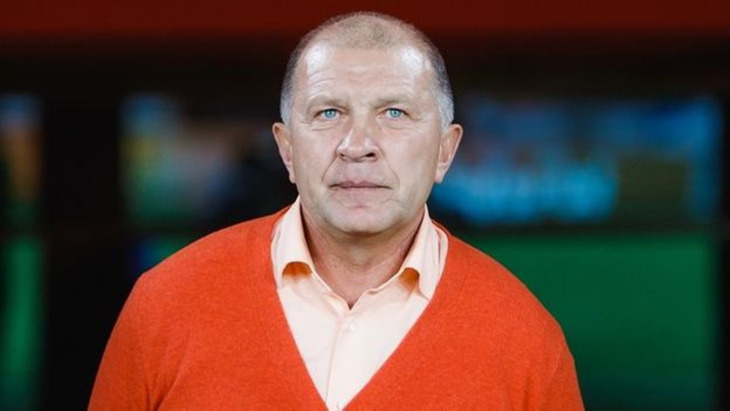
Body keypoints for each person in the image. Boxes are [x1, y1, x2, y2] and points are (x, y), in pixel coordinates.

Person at [90, 12, 583, 410]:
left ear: (445, 151)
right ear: (286, 149)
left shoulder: (525, 337)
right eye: (329, 112)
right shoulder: (164, 305)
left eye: (394, 113)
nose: (357, 144)